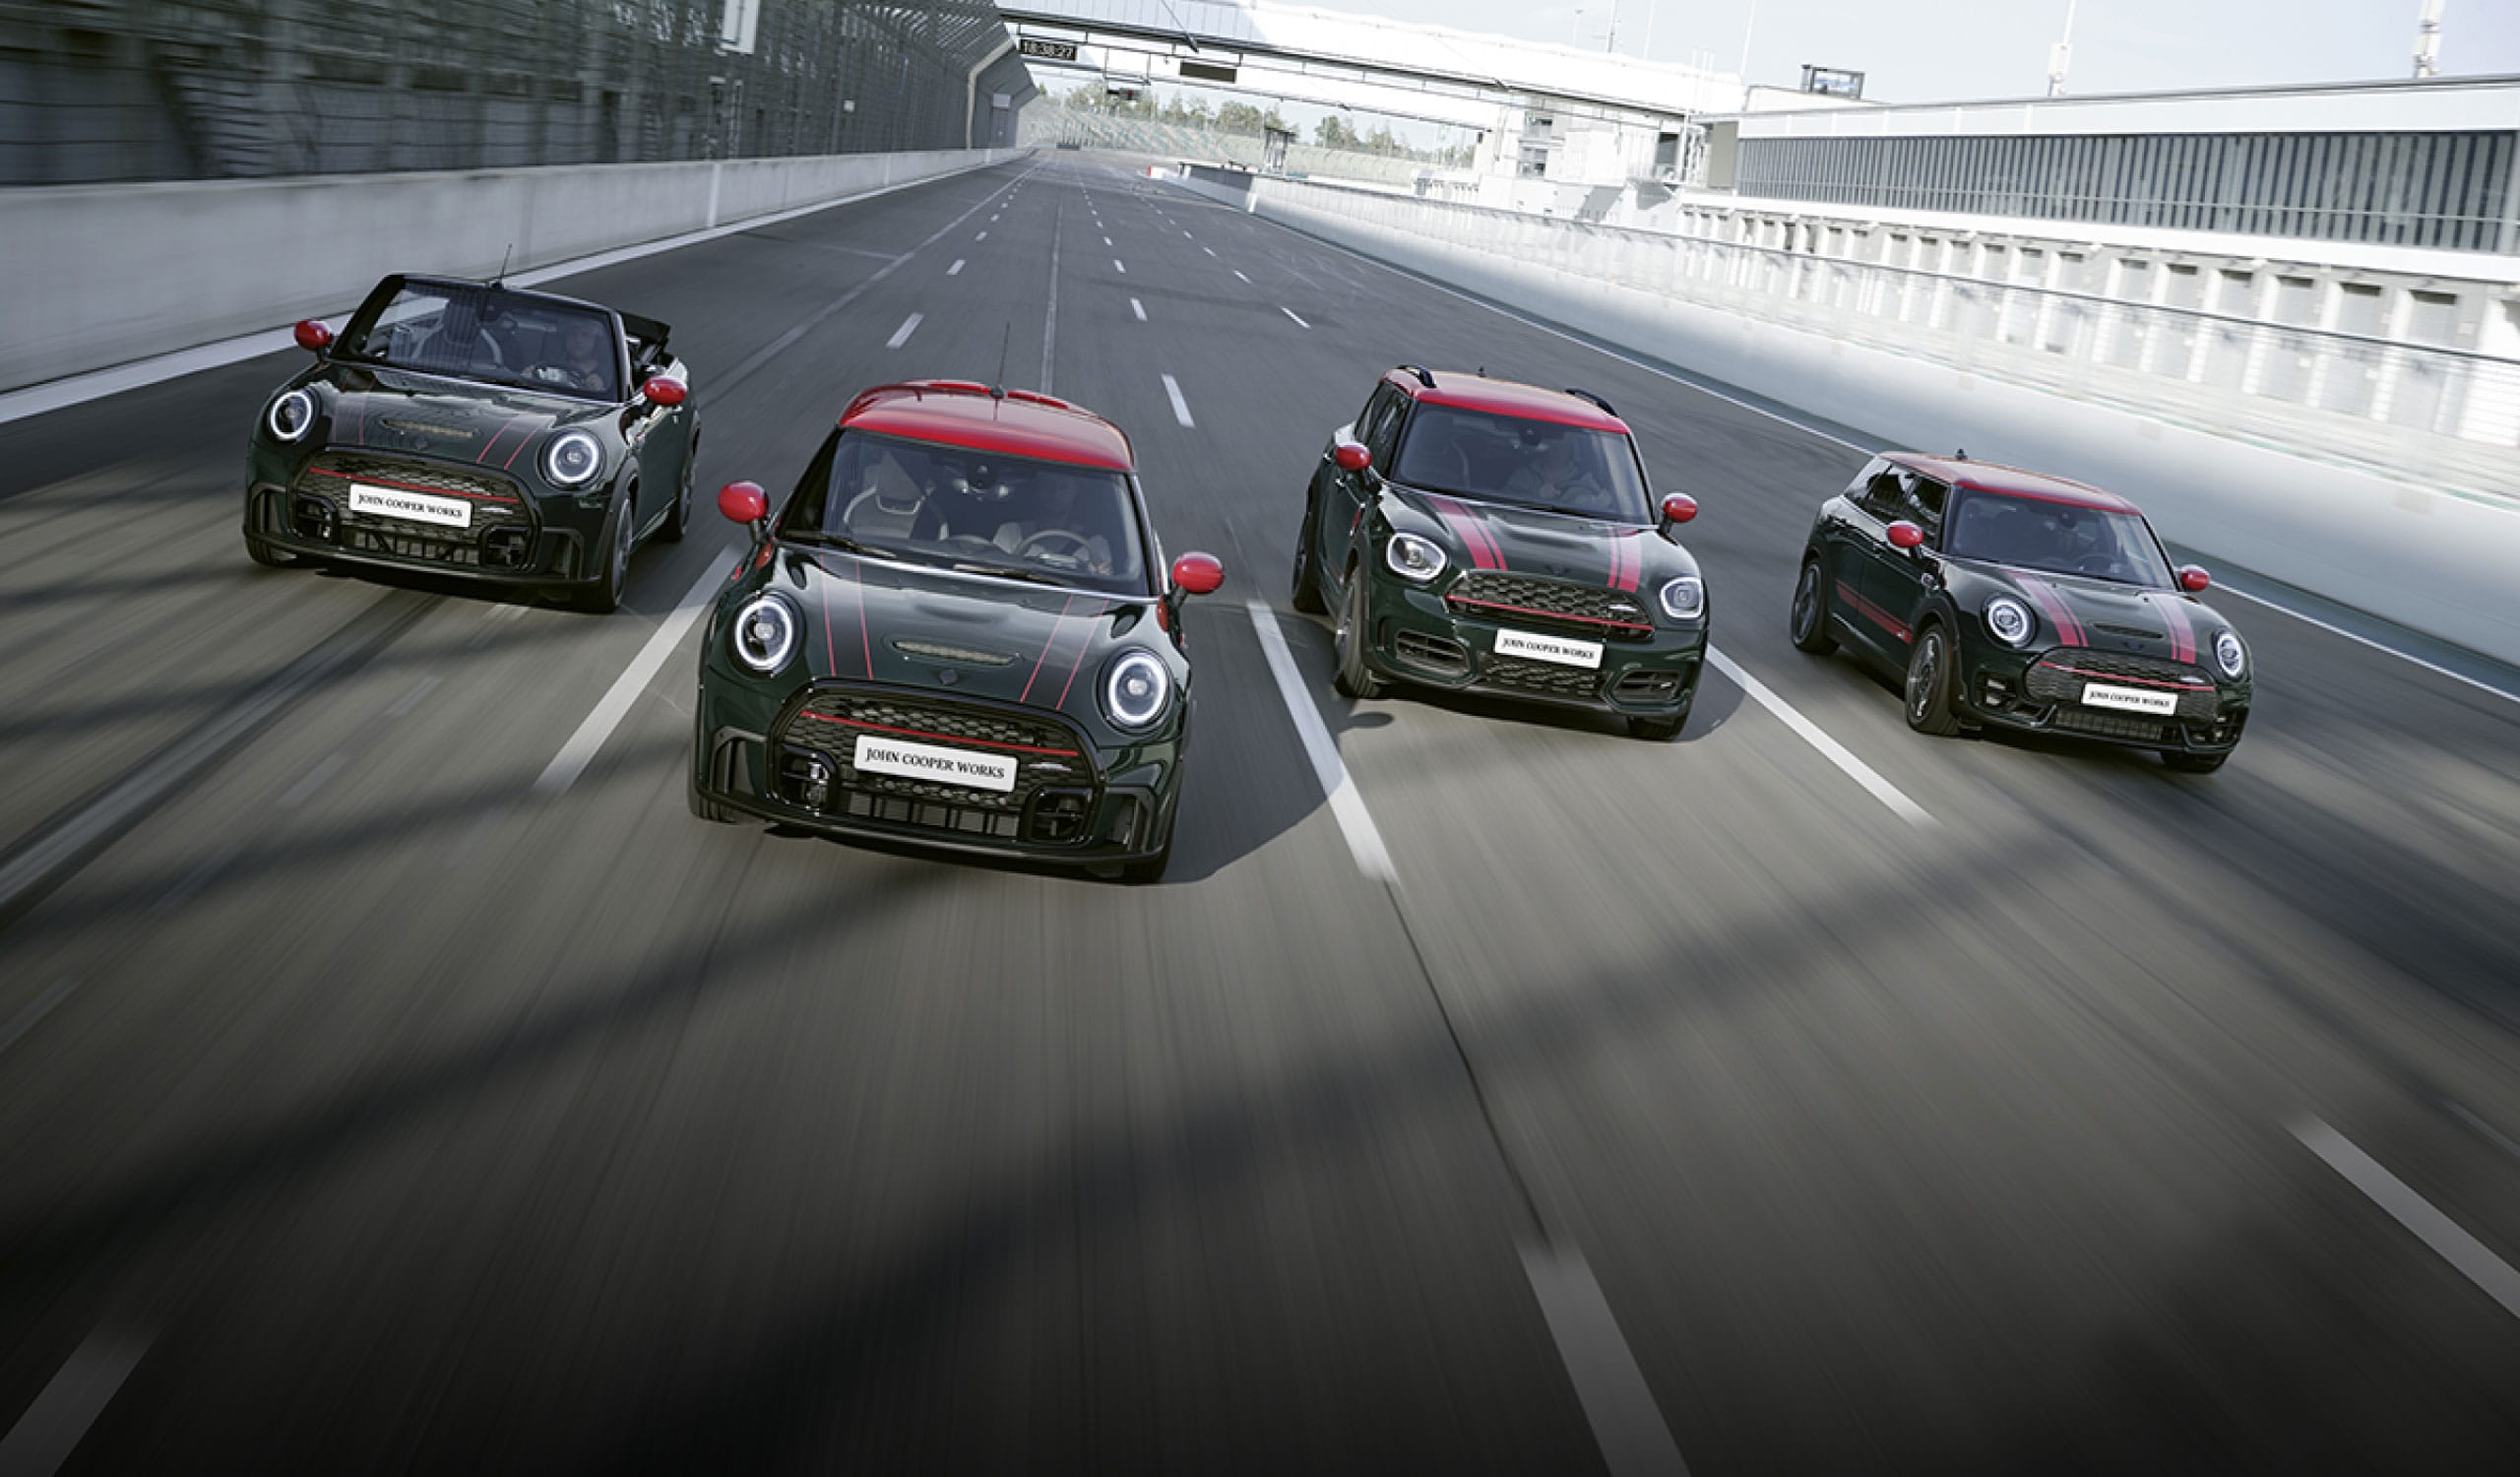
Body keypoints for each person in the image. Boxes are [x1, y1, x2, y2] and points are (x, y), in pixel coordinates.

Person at [1501, 430, 1613, 514]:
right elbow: (1503, 503)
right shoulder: (1523, 475)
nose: (1557, 451)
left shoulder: (1586, 481)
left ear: (1571, 450)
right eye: (1553, 445)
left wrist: (1601, 503)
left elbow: (1590, 510)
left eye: (1563, 447)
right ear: (1545, 447)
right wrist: (1536, 496)